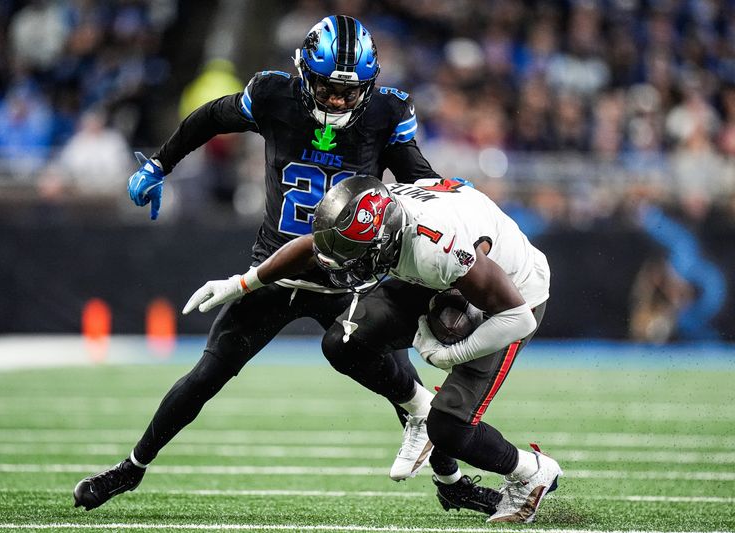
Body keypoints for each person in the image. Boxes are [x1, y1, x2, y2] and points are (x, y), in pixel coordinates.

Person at [74, 15, 496, 513]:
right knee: (206, 375)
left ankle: (450, 483)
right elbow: (211, 116)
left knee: (404, 390)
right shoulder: (275, 96)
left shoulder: (385, 113)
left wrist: (453, 205)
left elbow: (419, 179)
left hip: (348, 278)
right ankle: (131, 468)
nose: (338, 100)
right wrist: (159, 163)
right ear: (304, 74)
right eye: (328, 88)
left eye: (349, 91)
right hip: (275, 269)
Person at [186, 175, 562, 523]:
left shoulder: (437, 248)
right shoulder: (379, 218)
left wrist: (449, 356)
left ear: (385, 240)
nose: (346, 263)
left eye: (356, 253)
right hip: (444, 272)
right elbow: (311, 247)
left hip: (514, 297)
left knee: (450, 430)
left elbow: (518, 318)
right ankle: (418, 410)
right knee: (344, 343)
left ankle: (531, 472)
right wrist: (241, 284)